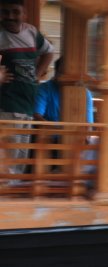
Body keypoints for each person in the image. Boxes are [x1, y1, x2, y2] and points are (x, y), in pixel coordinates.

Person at [0, 0, 54, 174]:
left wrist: (38, 74)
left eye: (15, 12)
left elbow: (49, 51)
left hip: (28, 103)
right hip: (8, 102)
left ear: (24, 15)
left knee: (22, 149)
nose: (10, 16)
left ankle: (13, 189)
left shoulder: (31, 32)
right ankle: (6, 191)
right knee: (8, 150)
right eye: (5, 12)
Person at [34, 58, 94, 123]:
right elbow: (37, 117)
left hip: (75, 132)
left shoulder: (85, 94)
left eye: (71, 74)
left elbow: (89, 124)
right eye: (63, 73)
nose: (67, 77)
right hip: (49, 132)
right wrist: (58, 129)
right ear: (56, 73)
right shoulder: (44, 89)